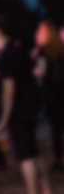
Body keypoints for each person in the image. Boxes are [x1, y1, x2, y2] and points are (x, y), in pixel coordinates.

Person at [0, 14, 51, 194]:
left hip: (18, 113)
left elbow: (9, 90)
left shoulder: (7, 56)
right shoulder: (17, 50)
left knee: (25, 157)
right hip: (29, 109)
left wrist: (4, 121)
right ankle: (46, 191)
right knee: (33, 153)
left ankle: (33, 191)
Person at [33, 20, 64, 172]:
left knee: (56, 129)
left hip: (52, 94)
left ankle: (59, 160)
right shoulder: (61, 49)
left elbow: (40, 73)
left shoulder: (44, 51)